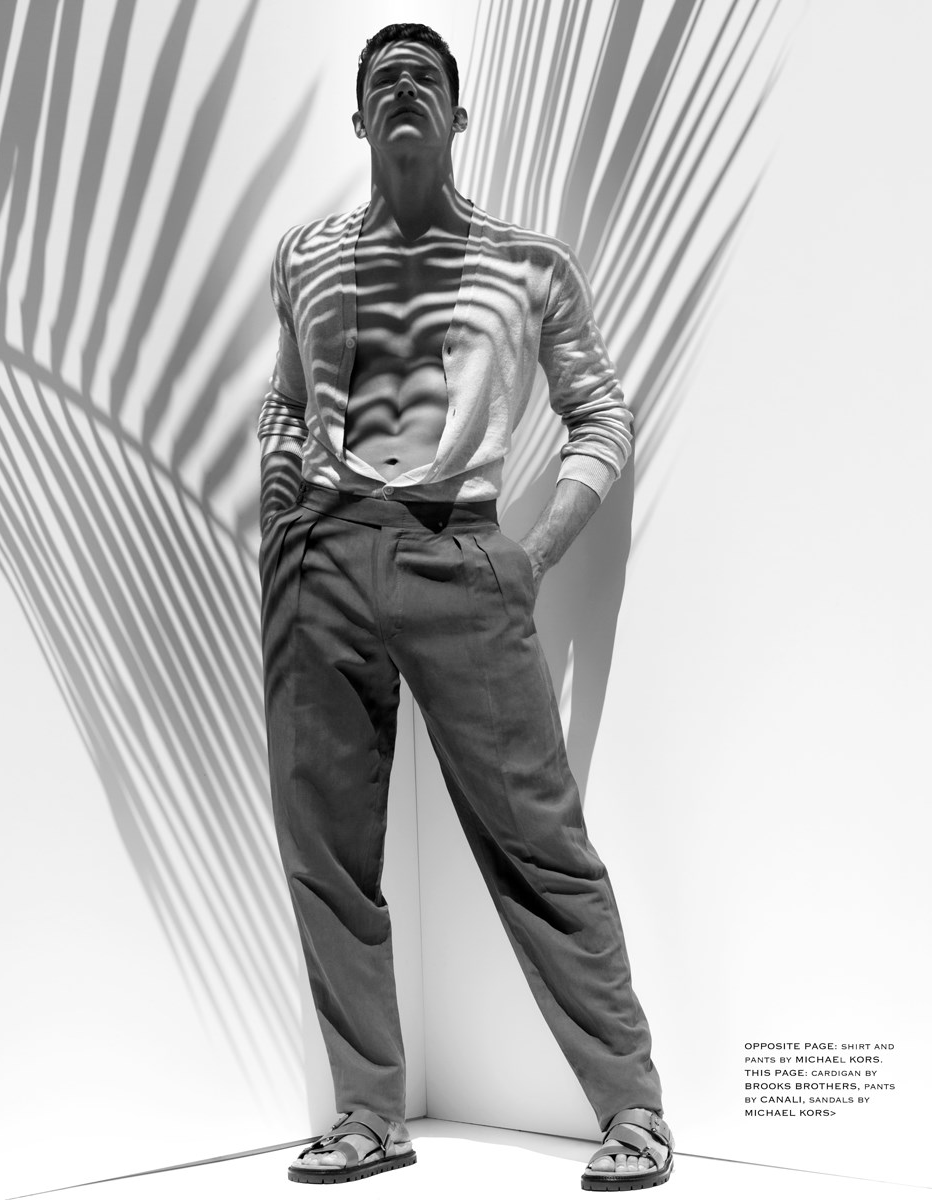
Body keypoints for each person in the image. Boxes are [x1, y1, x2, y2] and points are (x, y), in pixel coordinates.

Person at [257, 22, 673, 1192]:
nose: (403, 84)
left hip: (461, 552)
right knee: (325, 849)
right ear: (358, 120)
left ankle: (633, 1108)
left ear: (456, 113)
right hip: (320, 556)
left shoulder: (527, 262)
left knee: (539, 839)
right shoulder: (302, 256)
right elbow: (285, 398)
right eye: (381, 77)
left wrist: (532, 555)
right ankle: (368, 1116)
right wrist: (280, 507)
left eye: (425, 75)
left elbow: (601, 413)